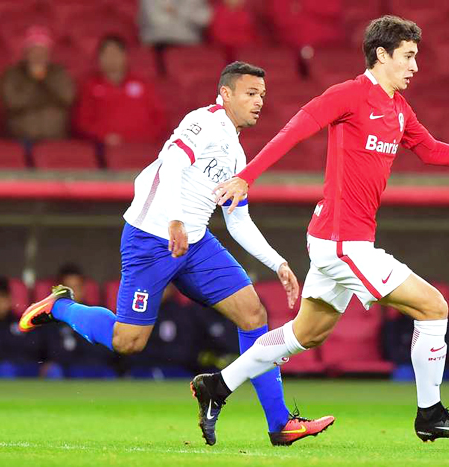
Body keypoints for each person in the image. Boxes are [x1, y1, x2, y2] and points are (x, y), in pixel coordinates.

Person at [201, 15, 449, 444]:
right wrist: (247, 176)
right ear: (382, 55)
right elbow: (295, 130)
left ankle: (217, 386)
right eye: (409, 56)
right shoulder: (349, 95)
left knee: (305, 334)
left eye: (417, 57)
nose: (415, 66)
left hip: (342, 239)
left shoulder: (398, 108)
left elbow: (430, 151)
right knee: (434, 308)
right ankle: (430, 414)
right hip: (342, 242)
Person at [18, 61, 333, 446]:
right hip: (152, 239)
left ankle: (279, 423)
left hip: (195, 243)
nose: (258, 102)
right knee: (128, 342)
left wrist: (278, 263)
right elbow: (171, 165)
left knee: (253, 314)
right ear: (226, 93)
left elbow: (237, 220)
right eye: (251, 94)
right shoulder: (202, 121)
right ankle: (61, 307)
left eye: (262, 96)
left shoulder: (236, 152)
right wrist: (174, 221)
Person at [74, 35, 167, 147]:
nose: (111, 58)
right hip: (104, 149)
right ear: (99, 58)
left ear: (125, 56)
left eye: (115, 53)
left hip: (144, 147)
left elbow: (160, 119)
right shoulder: (90, 87)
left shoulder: (143, 84)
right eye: (106, 54)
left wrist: (141, 138)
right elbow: (82, 122)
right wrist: (104, 136)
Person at [0, 26, 75, 141]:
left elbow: (68, 97)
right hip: (21, 139)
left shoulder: (59, 73)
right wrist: (34, 80)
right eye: (34, 50)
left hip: (55, 138)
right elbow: (12, 102)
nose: (38, 55)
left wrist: (46, 79)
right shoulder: (12, 74)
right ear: (26, 52)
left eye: (43, 50)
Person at [138, 0, 212, 47]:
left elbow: (205, 19)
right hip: (157, 42)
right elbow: (155, 20)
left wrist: (177, 12)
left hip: (189, 43)